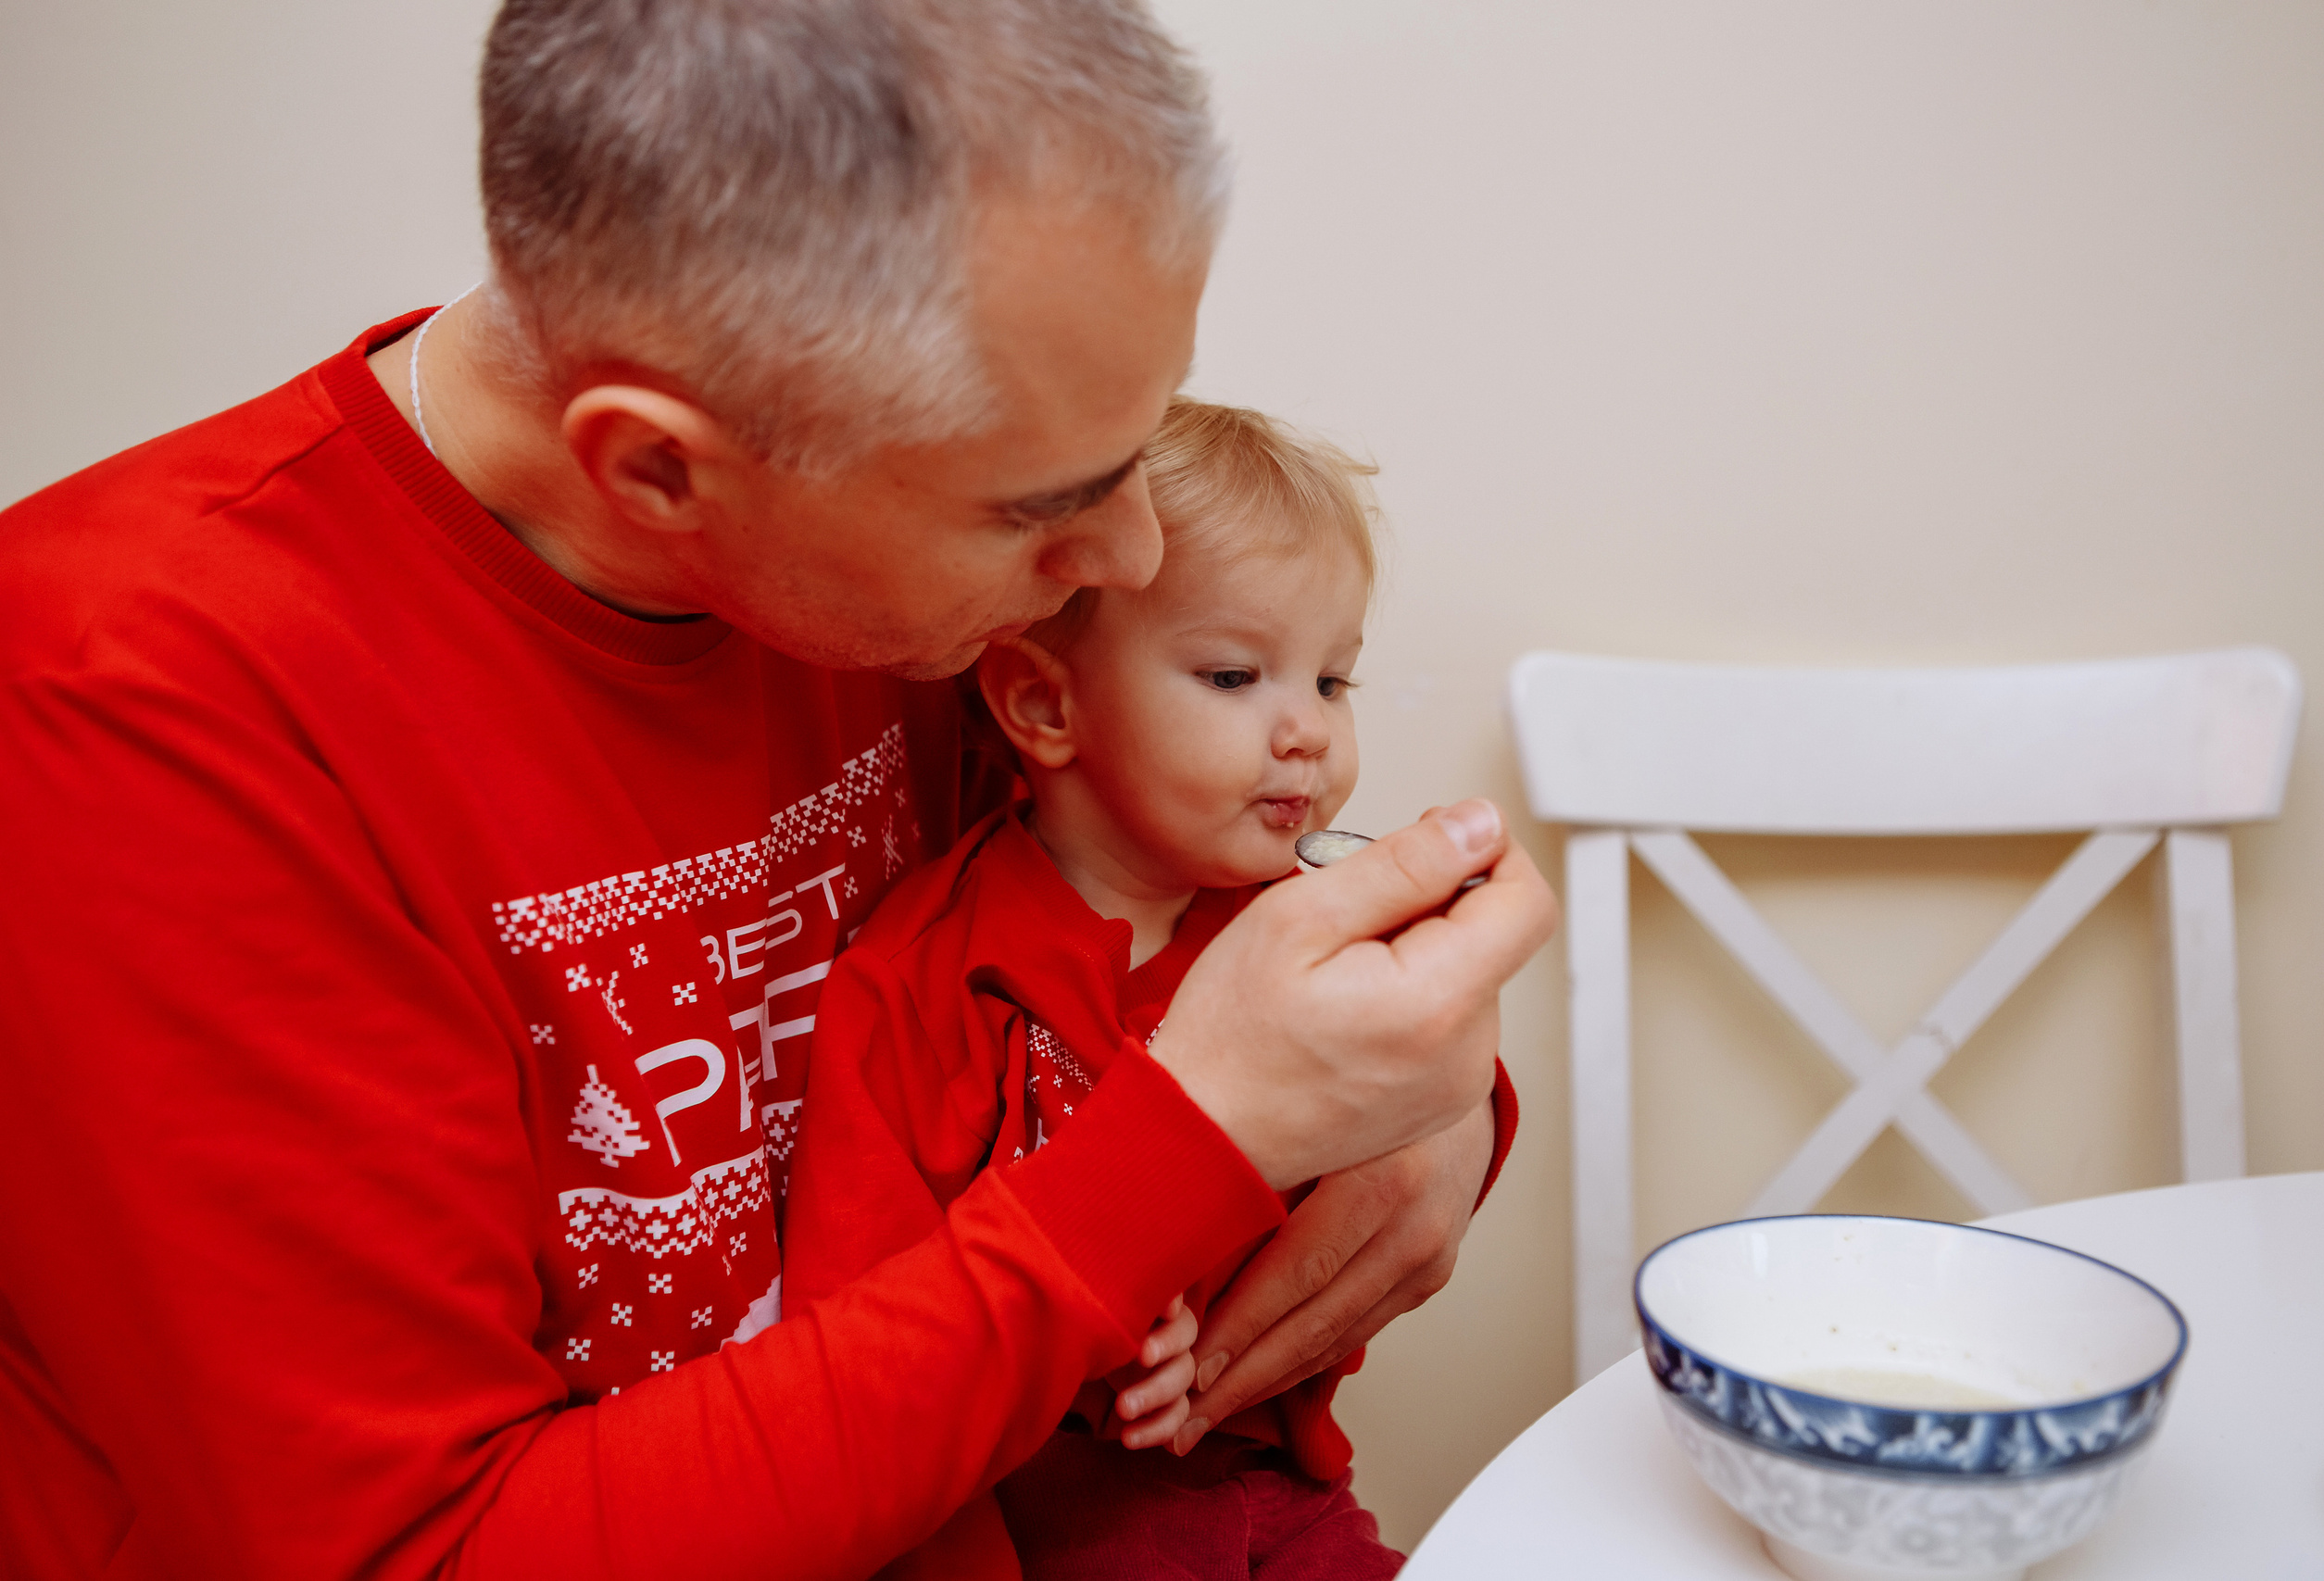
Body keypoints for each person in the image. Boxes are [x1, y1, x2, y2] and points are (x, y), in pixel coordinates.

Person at [0, 4, 1556, 1577]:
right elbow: (429, 1550)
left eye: (1129, 458)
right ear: (660, 471)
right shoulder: (130, 707)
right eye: (1041, 512)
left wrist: (1421, 1082)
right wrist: (1199, 1139)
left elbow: (1135, 890)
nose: (1127, 561)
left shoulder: (866, 524)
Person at [785, 399, 1501, 1578]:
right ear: (1042, 705)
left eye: (1332, 682)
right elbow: (864, 1357)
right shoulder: (917, 983)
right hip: (1045, 1531)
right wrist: (1093, 1319)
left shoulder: (1308, 925)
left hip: (1283, 1500)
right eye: (1233, 675)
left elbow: (1381, 1197)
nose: (1307, 734)